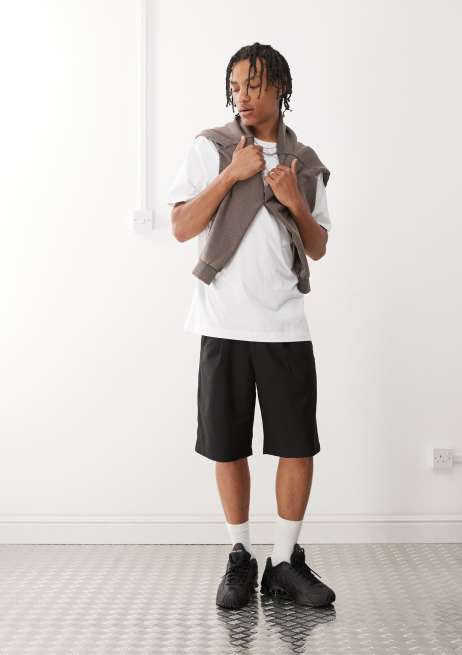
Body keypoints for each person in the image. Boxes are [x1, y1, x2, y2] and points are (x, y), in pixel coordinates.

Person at [168, 42, 336, 610]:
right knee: (228, 446)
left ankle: (284, 562)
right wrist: (232, 176)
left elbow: (317, 246)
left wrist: (293, 200)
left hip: (285, 325)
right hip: (222, 321)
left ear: (280, 89)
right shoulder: (212, 148)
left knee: (297, 446)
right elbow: (181, 227)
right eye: (235, 86)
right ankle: (239, 555)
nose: (242, 96)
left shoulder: (304, 162)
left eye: (255, 85)